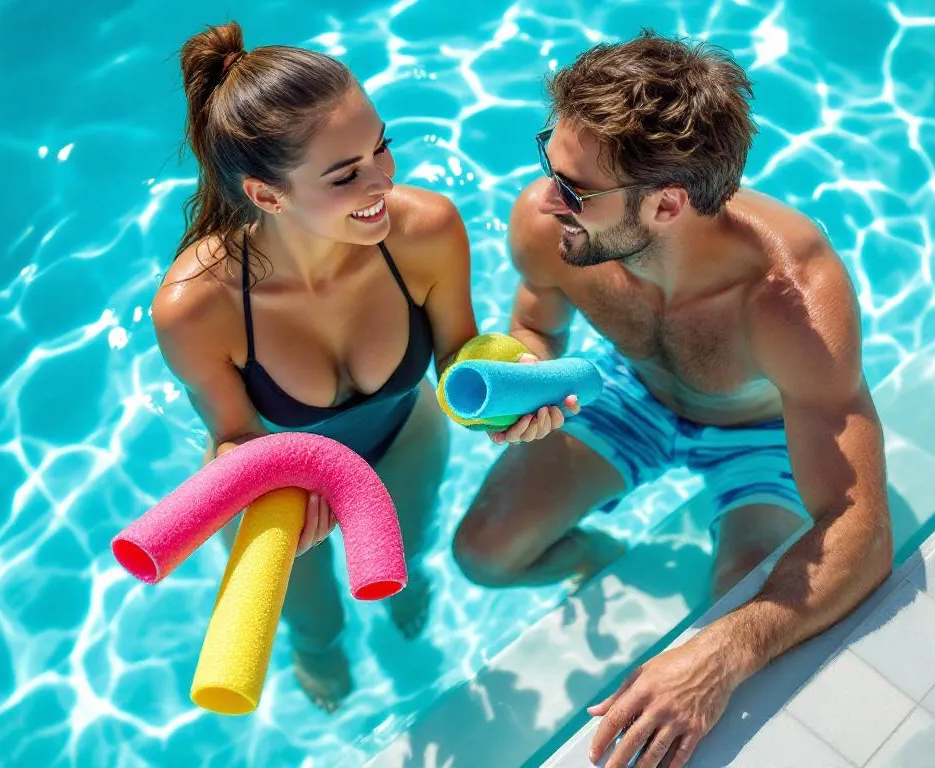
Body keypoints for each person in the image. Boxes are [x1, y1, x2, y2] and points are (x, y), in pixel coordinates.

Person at [452, 30, 893, 765]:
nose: (547, 198)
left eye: (575, 188)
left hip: (759, 432)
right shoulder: (551, 227)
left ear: (665, 206)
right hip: (629, 390)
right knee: (484, 555)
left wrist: (722, 653)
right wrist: (523, 381)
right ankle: (600, 552)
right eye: (549, 160)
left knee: (740, 606)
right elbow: (535, 324)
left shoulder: (789, 301)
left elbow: (861, 526)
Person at [152, 21, 483, 713]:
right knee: (312, 618)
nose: (382, 180)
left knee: (411, 552)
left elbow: (458, 354)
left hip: (405, 437)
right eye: (347, 173)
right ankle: (320, 651)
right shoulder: (196, 308)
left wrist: (506, 394)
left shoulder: (425, 232)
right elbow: (235, 433)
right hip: (281, 485)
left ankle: (409, 588)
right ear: (268, 195)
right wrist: (246, 467)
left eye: (381, 146)